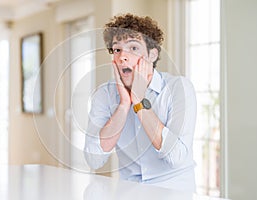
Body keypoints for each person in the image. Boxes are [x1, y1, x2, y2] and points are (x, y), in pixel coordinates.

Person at [84, 13, 197, 192]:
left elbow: (175, 157)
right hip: (128, 190)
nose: (122, 57)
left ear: (152, 55)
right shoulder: (104, 95)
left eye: (133, 48)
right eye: (117, 49)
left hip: (174, 190)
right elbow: (94, 159)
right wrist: (123, 106)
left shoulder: (179, 88)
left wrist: (139, 100)